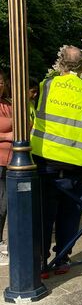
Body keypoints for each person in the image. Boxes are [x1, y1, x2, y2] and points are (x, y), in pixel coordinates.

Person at [30, 46, 82, 276]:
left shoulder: (45, 86)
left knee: (44, 213)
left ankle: (40, 262)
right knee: (71, 213)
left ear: (60, 65)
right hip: (79, 163)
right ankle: (63, 257)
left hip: (46, 160)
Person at [0, 70, 12, 266]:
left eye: (1, 81)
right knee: (1, 207)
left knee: (9, 205)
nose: (0, 84)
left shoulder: (9, 104)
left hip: (13, 161)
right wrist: (6, 137)